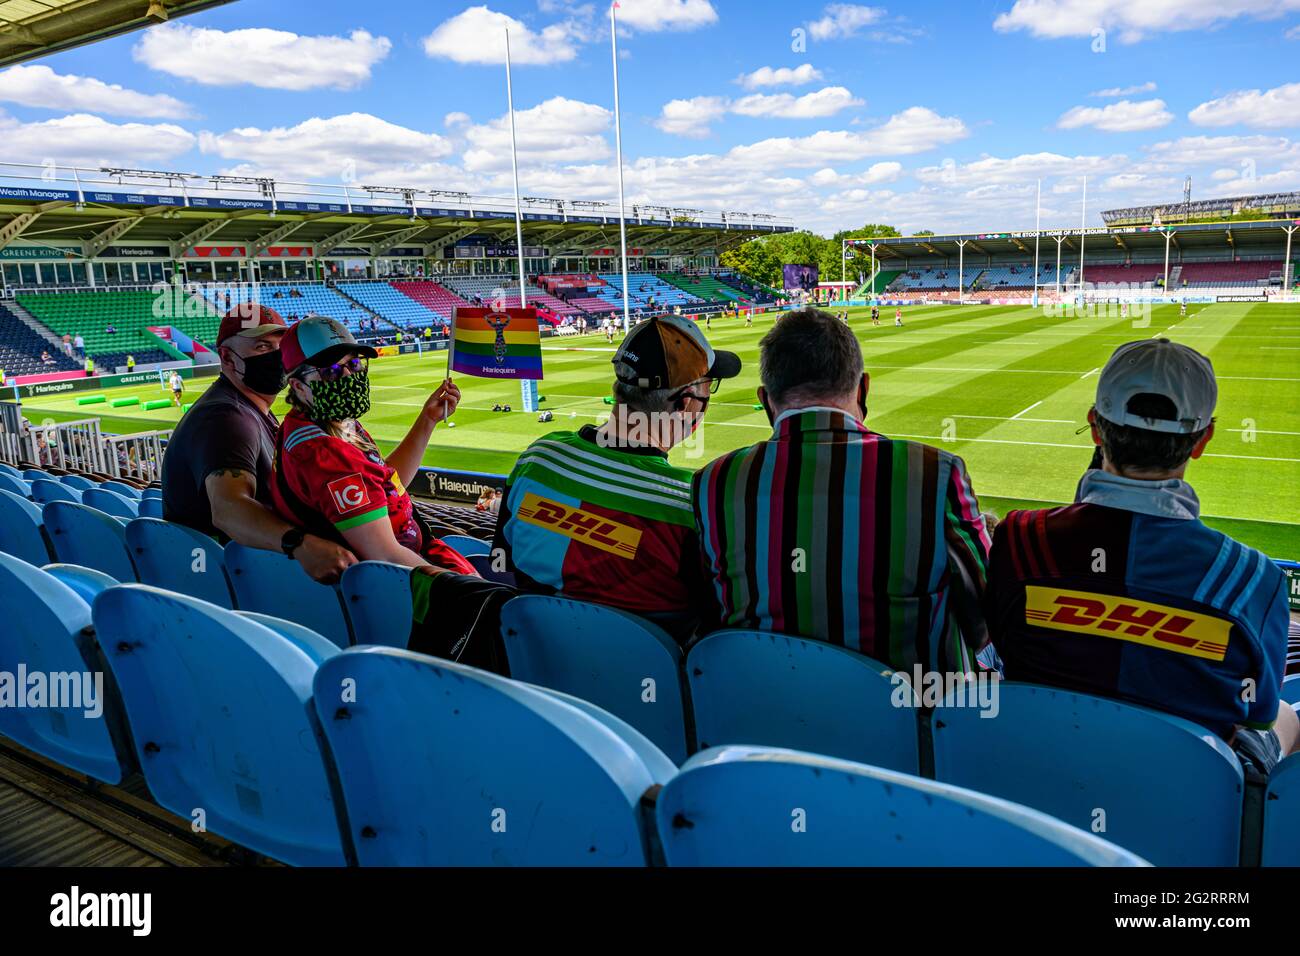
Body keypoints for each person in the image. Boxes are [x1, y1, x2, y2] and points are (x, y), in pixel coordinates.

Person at [985, 338, 1297, 773]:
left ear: (1095, 427)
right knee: (1285, 717)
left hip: (1037, 767)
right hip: (1189, 789)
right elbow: (1257, 713)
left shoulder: (1019, 540)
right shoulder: (1252, 579)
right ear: (1202, 440)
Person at [693, 307, 992, 673]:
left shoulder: (714, 480)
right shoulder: (934, 473)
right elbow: (986, 622)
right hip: (913, 720)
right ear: (864, 387)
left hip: (765, 709)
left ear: (766, 399)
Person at [494, 314, 741, 642]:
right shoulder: (693, 502)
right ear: (686, 404)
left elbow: (503, 567)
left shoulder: (538, 458)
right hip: (650, 684)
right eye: (708, 387)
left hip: (534, 668)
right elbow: (721, 628)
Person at [162, 304, 355, 584]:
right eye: (263, 347)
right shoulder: (226, 417)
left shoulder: (249, 406)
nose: (277, 357)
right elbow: (228, 509)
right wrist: (302, 545)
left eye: (280, 346)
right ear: (227, 358)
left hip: (244, 572)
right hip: (239, 581)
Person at [271, 315, 475, 576]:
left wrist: (427, 420)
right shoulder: (327, 456)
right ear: (298, 386)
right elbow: (387, 556)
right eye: (330, 371)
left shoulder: (317, 420)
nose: (347, 376)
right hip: (400, 587)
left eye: (354, 364)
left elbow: (384, 483)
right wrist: (474, 591)